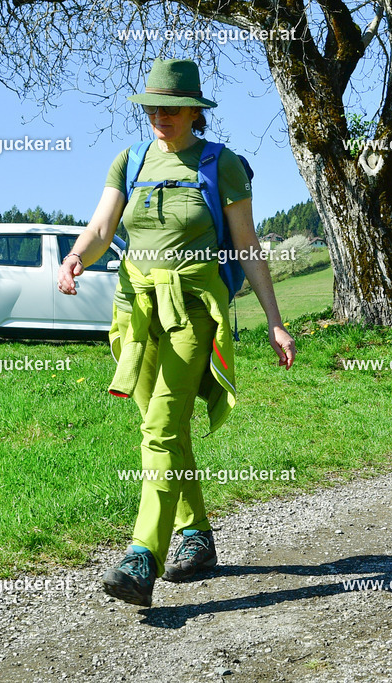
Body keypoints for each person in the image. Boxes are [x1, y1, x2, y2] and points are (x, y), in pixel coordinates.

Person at [57, 58, 296, 607]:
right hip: (135, 310)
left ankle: (142, 555)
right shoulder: (131, 159)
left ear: (195, 111)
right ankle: (197, 535)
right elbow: (101, 228)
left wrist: (276, 323)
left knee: (161, 428)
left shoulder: (221, 165)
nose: (160, 116)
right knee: (161, 427)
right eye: (152, 107)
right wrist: (76, 259)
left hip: (193, 310)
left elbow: (246, 247)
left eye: (171, 107)